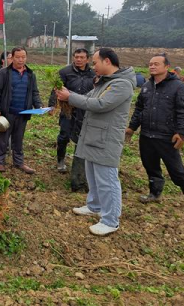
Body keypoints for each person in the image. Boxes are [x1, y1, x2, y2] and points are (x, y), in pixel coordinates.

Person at [56, 48, 136, 236]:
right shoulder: (105, 83)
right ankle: (95, 205)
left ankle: (110, 220)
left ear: (107, 61)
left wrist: (70, 97)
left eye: (95, 62)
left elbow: (100, 104)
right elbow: (88, 98)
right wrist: (68, 93)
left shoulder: (121, 84)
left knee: (107, 180)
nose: (93, 66)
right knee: (92, 175)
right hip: (94, 136)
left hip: (106, 139)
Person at [126, 54, 184, 205]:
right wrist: (132, 127)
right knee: (151, 166)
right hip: (147, 135)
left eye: (156, 64)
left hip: (166, 136)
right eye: (150, 64)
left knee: (176, 170)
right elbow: (139, 109)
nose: (152, 66)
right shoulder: (147, 86)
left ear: (167, 67)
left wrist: (181, 133)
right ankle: (154, 193)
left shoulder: (178, 86)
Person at [0, 47, 42, 174]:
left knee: (18, 139)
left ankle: (19, 162)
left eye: (23, 57)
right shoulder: (4, 73)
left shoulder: (30, 74)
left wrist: (38, 105)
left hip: (23, 113)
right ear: (12, 58)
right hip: (7, 112)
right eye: (18, 57)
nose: (21, 60)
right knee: (3, 138)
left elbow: (34, 92)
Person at [48, 48, 95, 173]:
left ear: (87, 59)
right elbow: (56, 89)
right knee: (64, 136)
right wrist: (52, 105)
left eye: (82, 57)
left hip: (85, 110)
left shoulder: (93, 73)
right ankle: (60, 161)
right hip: (68, 110)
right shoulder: (65, 72)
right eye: (76, 57)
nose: (79, 59)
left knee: (82, 137)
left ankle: (78, 164)